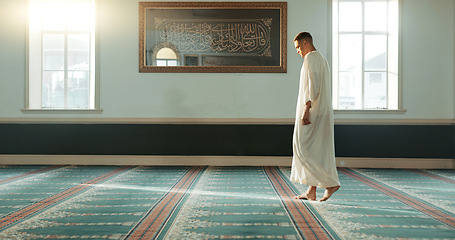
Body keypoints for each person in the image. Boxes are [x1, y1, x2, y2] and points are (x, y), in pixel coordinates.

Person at [290, 32, 340, 202]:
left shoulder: (310, 58)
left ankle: (330, 183)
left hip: (313, 111)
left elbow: (314, 85)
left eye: (298, 47)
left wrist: (306, 108)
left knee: (302, 147)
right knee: (314, 149)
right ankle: (311, 190)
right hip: (322, 111)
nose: (297, 51)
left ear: (305, 43)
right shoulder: (322, 59)